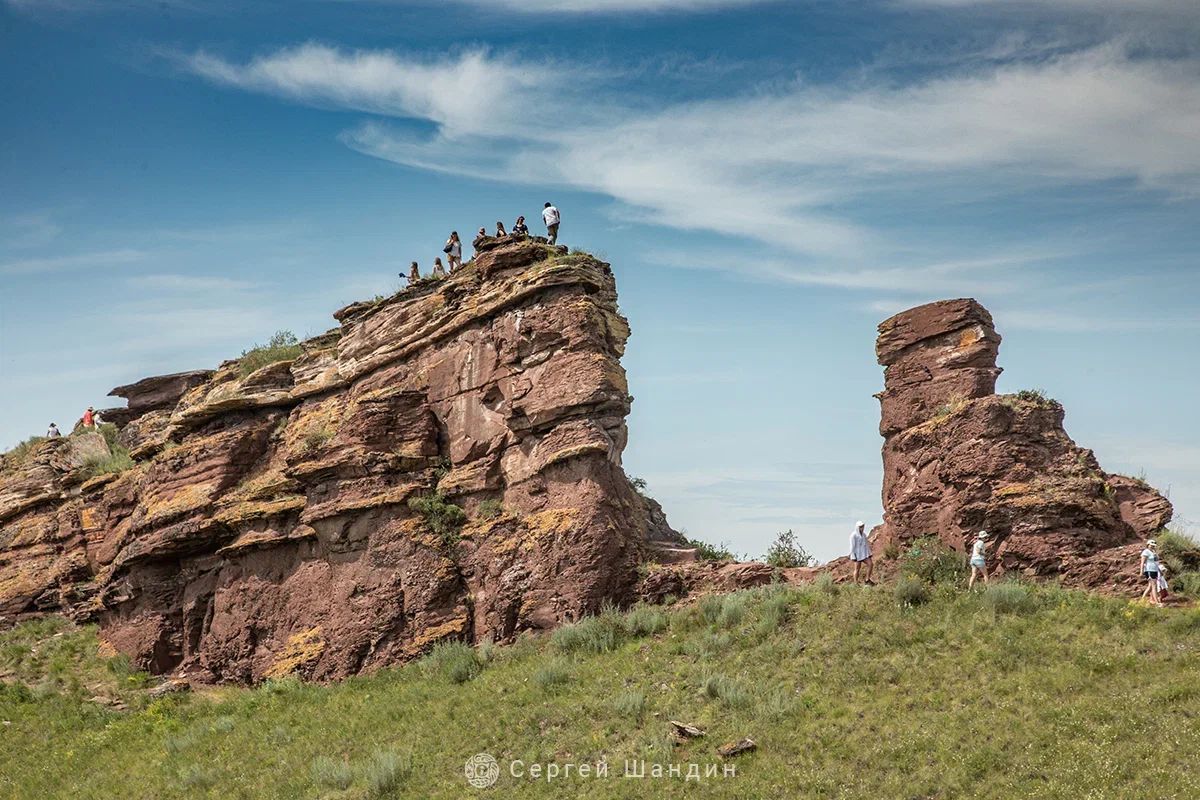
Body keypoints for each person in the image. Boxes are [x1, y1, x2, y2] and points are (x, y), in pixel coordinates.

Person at [1140, 538, 1163, 607]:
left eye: (1153, 545)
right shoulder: (1146, 552)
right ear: (1148, 545)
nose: (1152, 546)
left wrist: (1159, 571)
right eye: (1151, 545)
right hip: (1149, 570)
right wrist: (1141, 571)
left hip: (1155, 570)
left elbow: (1156, 562)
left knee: (1150, 586)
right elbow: (1142, 562)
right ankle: (1156, 602)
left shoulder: (1154, 552)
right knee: (1154, 586)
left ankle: (1142, 600)